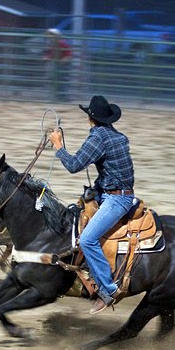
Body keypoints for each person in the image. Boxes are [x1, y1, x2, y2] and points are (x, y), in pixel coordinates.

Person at [48, 95, 135, 314]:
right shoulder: (119, 137)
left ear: (90, 118)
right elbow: (113, 170)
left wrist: (58, 146)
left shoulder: (99, 137)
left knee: (87, 240)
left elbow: (74, 165)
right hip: (114, 193)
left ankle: (108, 290)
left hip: (116, 199)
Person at [43, 28, 72, 102]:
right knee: (52, 79)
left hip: (61, 65)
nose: (50, 37)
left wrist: (63, 61)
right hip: (54, 64)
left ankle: (62, 97)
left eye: (52, 35)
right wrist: (47, 57)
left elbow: (68, 55)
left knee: (61, 81)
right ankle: (55, 97)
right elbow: (48, 53)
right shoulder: (51, 44)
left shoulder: (62, 44)